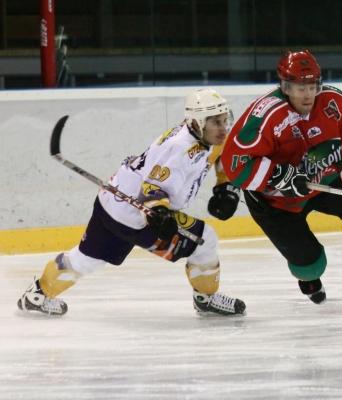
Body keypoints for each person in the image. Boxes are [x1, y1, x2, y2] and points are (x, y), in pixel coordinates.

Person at [17, 88, 245, 317]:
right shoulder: (178, 149)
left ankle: (37, 294)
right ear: (198, 122)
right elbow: (152, 189)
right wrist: (160, 213)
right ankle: (206, 298)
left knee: (86, 259)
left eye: (225, 119)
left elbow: (221, 155)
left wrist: (225, 186)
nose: (224, 127)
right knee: (205, 240)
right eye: (216, 121)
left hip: (111, 202)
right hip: (138, 215)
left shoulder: (208, 135)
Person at [220, 49, 342, 304]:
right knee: (311, 265)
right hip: (276, 204)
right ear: (285, 86)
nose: (308, 94)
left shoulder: (335, 104)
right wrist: (279, 177)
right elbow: (235, 164)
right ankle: (307, 277)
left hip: (322, 182)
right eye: (301, 88)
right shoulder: (265, 116)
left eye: (312, 86)